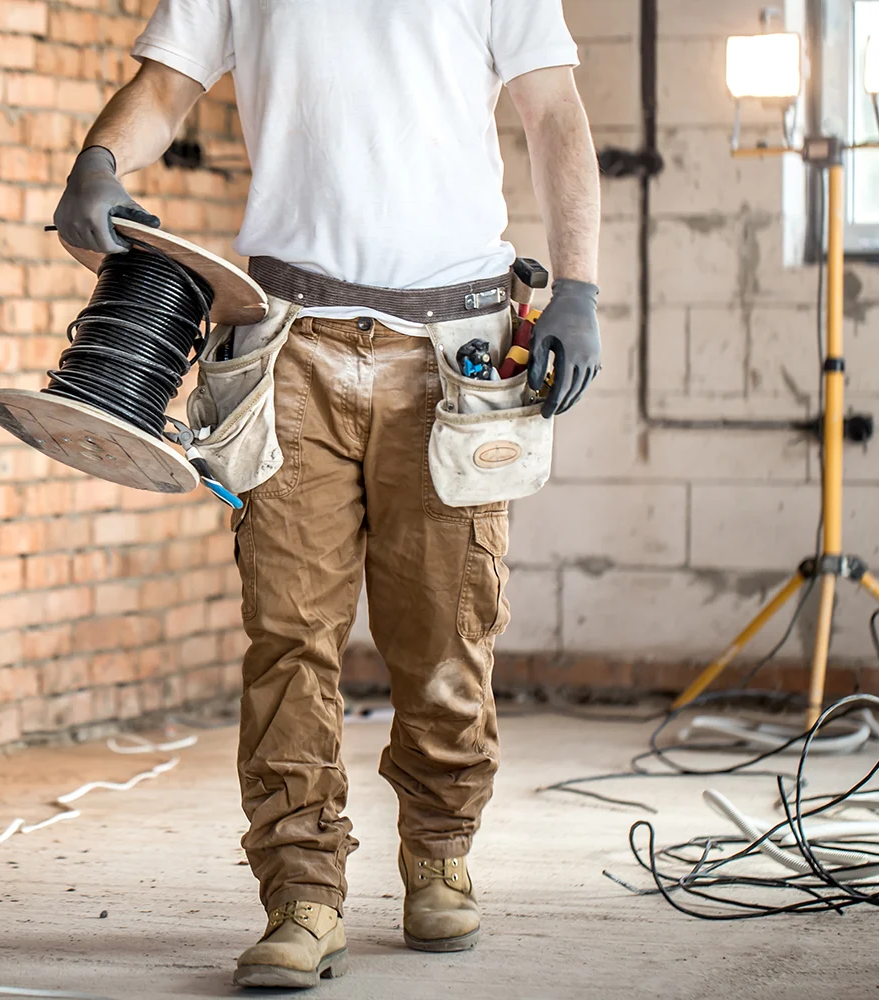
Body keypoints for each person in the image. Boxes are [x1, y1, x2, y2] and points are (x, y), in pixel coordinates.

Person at [52, 0, 600, 989]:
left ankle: (438, 850)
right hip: (285, 339)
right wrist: (101, 158)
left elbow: (554, 110)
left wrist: (582, 287)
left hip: (457, 353)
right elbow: (168, 83)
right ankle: (301, 894)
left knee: (444, 628)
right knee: (288, 632)